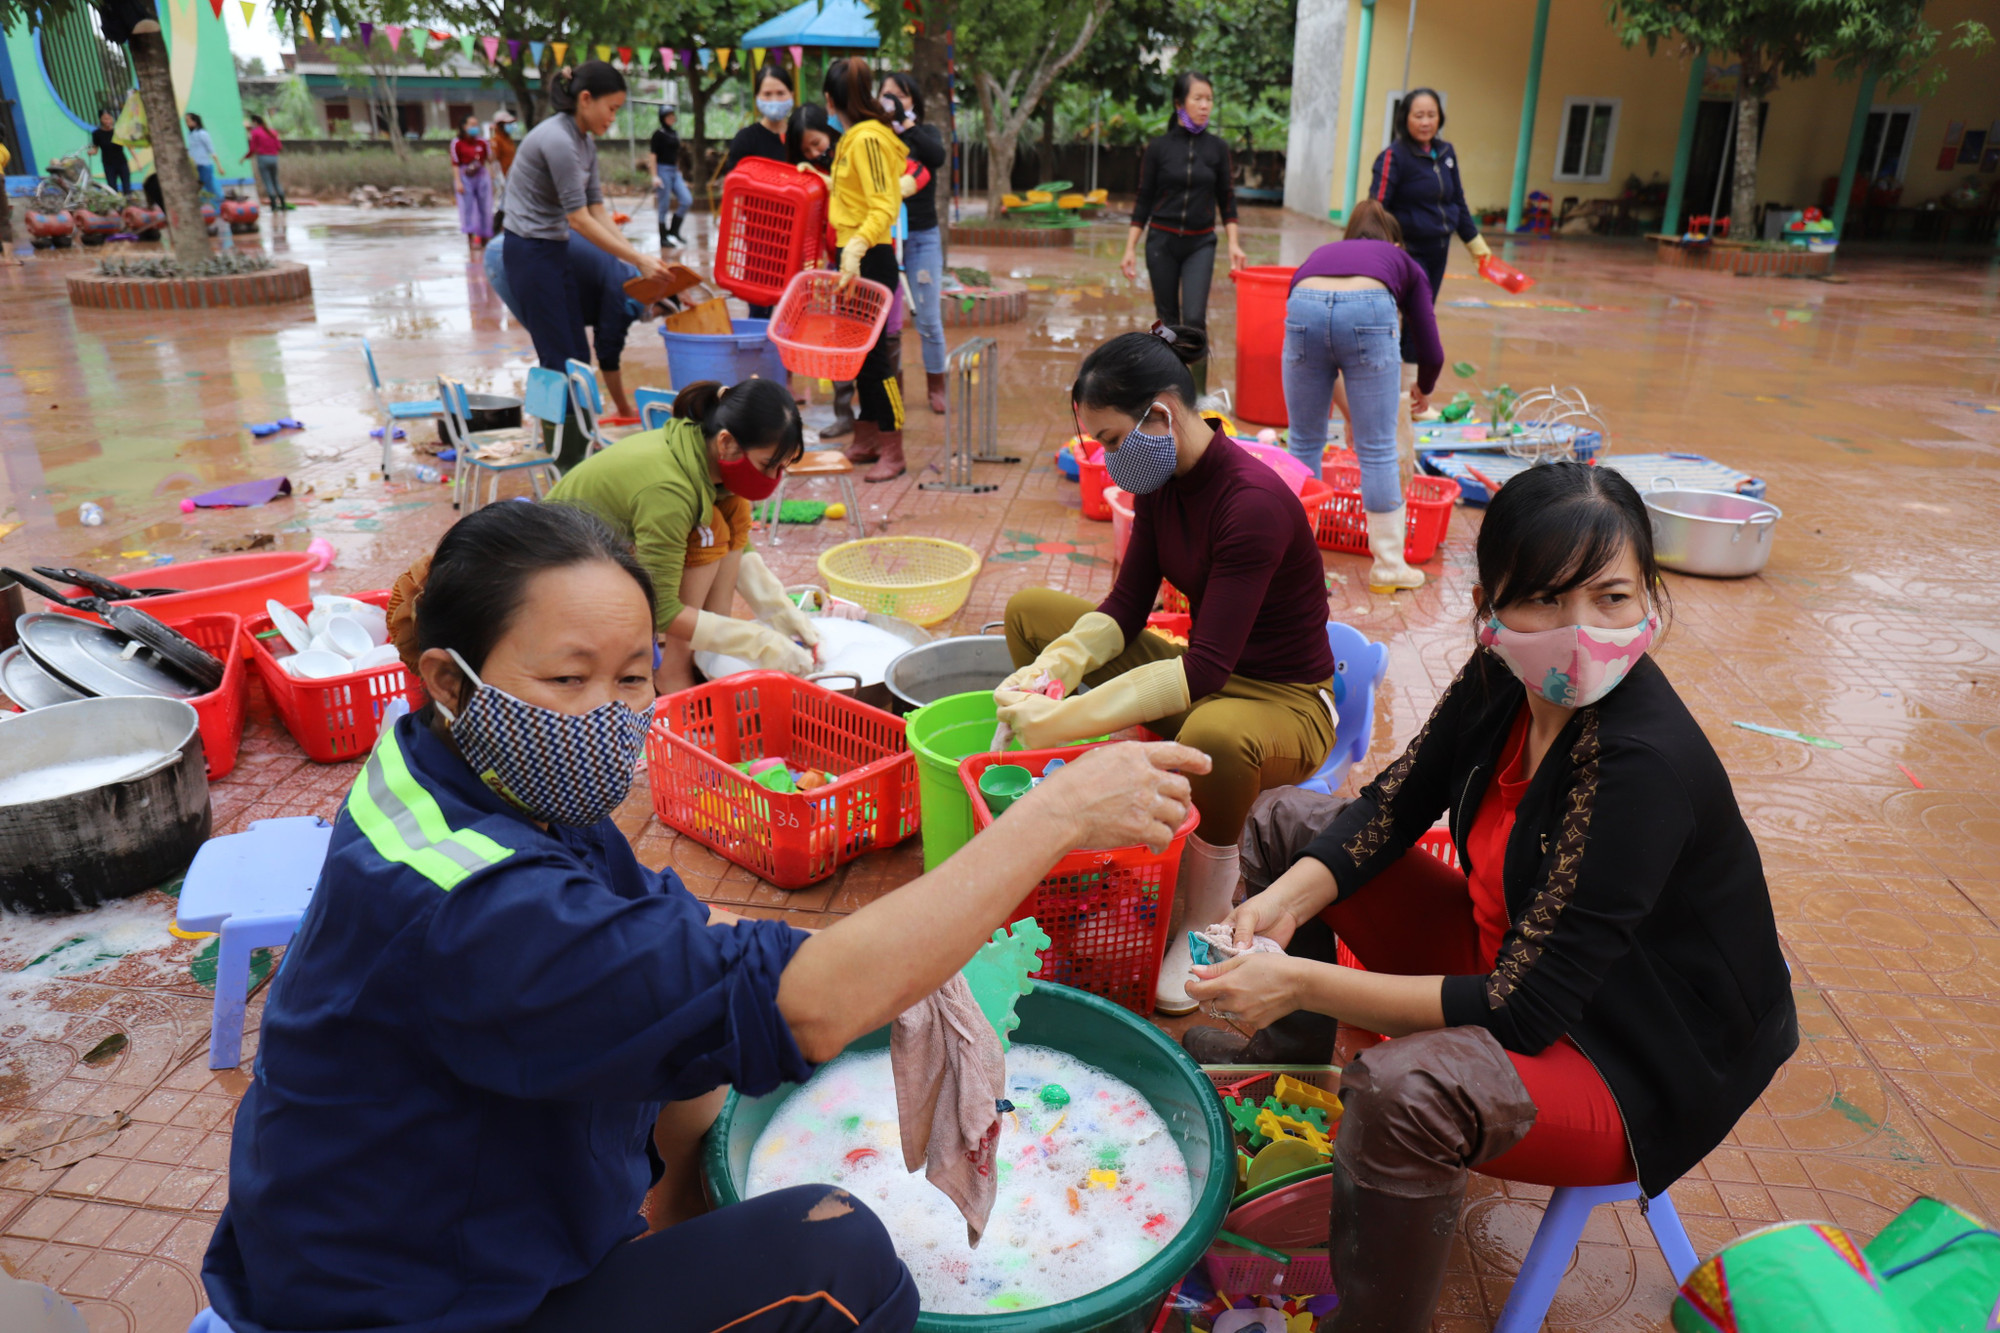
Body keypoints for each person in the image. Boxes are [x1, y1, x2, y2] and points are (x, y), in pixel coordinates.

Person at [202, 497, 1210, 1333]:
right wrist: (1051, 815)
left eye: (633, 674)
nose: (609, 708)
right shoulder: (479, 906)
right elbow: (800, 1005)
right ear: (446, 681)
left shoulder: (461, 773)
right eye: (567, 677)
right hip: (401, 1308)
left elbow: (686, 969)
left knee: (697, 1073)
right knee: (839, 1252)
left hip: (416, 1222)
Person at [1182, 462, 1797, 1332]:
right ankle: (1290, 1089)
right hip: (1516, 960)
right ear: (1493, 606)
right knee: (1289, 825)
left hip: (1631, 1057)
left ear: (1652, 600)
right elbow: (1393, 805)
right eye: (1544, 599)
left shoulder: (1641, 767)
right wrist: (1277, 905)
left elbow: (1522, 1012)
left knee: (1407, 1089)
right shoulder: (1505, 675)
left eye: (1612, 597)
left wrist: (1298, 977)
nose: (1579, 632)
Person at [998, 326, 1336, 1015]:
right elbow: (1126, 607)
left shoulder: (1253, 504)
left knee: (1211, 732)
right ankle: (1091, 777)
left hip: (1286, 703)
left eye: (1113, 440)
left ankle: (1208, 909)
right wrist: (1055, 667)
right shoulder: (1160, 481)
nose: (1109, 459)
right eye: (1099, 445)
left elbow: (1206, 670)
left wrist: (1057, 716)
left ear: (1161, 414)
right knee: (1032, 614)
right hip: (1208, 672)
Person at [548, 379, 813, 693]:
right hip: (560, 572)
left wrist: (779, 610)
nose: (772, 480)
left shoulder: (702, 452)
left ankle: (708, 657)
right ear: (726, 443)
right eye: (767, 465)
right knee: (707, 532)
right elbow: (661, 610)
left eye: (782, 468)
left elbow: (740, 542)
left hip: (608, 551)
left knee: (733, 513)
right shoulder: (669, 490)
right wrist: (758, 642)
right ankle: (673, 671)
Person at [503, 62, 669, 451]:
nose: (614, 117)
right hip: (527, 250)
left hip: (555, 249)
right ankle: (560, 449)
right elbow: (579, 219)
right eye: (611, 108)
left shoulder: (584, 143)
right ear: (585, 99)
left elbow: (598, 211)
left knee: (576, 352)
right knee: (556, 356)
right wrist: (638, 261)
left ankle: (572, 444)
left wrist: (637, 258)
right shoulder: (558, 140)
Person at [1280, 200, 1442, 594]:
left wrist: (1350, 412)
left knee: (1303, 441)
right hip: (1368, 312)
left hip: (1303, 303)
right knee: (1378, 448)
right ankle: (1388, 567)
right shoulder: (1400, 260)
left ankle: (1291, 564)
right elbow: (1429, 341)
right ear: (1394, 242)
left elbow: (1323, 360)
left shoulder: (1320, 257)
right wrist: (1426, 384)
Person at [1120, 73, 1246, 397]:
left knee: (1193, 320)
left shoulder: (1218, 149)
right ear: (1180, 103)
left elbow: (1226, 198)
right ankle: (1172, 390)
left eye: (1209, 99)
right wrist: (1130, 247)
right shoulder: (1159, 148)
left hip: (1200, 243)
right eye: (1198, 99)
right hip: (1161, 241)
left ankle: (1199, 398)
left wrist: (1233, 242)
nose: (1205, 106)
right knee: (1168, 322)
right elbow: (1143, 198)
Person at [817, 57, 910, 482]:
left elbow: (884, 205)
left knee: (878, 364)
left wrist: (855, 247)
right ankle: (868, 436)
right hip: (852, 259)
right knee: (860, 358)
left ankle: (894, 445)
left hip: (869, 257)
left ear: (830, 100)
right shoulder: (855, 137)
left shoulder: (868, 138)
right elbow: (856, 197)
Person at [484, 213, 650, 428]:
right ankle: (560, 435)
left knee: (572, 351)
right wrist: (625, 410)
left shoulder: (629, 276)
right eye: (657, 313)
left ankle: (569, 429)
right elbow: (608, 351)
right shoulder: (623, 295)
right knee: (557, 350)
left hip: (528, 246)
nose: (649, 318)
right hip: (512, 255)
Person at [1368, 89, 1489, 303]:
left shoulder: (1446, 152)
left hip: (1439, 248)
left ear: (1440, 117)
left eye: (1431, 115)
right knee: (1417, 310)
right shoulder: (1393, 156)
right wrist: (1384, 245)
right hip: (1408, 249)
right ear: (1405, 118)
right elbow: (1376, 208)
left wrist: (1475, 243)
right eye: (1418, 115)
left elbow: (1457, 201)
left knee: (1424, 314)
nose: (1426, 122)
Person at [879, 71, 949, 415]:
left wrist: (905, 128)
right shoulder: (873, 137)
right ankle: (892, 390)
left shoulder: (924, 134)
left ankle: (938, 386)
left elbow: (937, 157)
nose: (891, 102)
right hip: (883, 239)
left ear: (912, 103)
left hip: (922, 238)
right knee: (885, 325)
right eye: (885, 95)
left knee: (928, 318)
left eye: (900, 96)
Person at [788, 103, 859, 439]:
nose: (816, 152)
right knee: (839, 339)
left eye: (817, 143)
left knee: (879, 347)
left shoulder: (851, 154)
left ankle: (883, 423)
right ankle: (844, 414)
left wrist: (826, 181)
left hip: (865, 258)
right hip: (835, 263)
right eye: (807, 150)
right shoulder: (814, 172)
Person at [722, 67, 798, 317]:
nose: (774, 100)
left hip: (796, 241)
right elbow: (735, 190)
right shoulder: (746, 139)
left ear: (792, 94)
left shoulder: (801, 137)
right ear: (756, 97)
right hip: (759, 243)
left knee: (793, 313)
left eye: (780, 93)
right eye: (767, 94)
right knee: (759, 315)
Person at [646, 106, 692, 250]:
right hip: (662, 170)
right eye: (668, 115)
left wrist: (679, 172)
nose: (671, 118)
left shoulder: (674, 133)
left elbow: (675, 155)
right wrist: (654, 176)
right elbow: (653, 156)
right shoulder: (658, 135)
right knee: (664, 205)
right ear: (662, 118)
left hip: (674, 171)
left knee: (686, 200)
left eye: (673, 115)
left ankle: (674, 230)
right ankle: (663, 238)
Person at [450, 115, 493, 251]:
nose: (475, 128)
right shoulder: (457, 143)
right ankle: (470, 238)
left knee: (485, 206)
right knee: (467, 208)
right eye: (472, 124)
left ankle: (485, 237)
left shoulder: (482, 142)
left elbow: (490, 160)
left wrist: (491, 178)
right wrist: (458, 182)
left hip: (481, 175)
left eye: (476, 125)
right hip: (465, 176)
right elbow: (455, 164)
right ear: (464, 126)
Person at [240, 114, 285, 211]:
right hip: (274, 158)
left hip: (263, 159)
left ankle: (274, 206)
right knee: (275, 181)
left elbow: (252, 149)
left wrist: (244, 158)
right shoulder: (272, 132)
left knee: (268, 182)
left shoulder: (255, 132)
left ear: (255, 122)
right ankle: (283, 204)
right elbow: (279, 147)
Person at [89, 110, 132, 197]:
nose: (107, 121)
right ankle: (116, 206)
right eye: (105, 119)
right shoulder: (97, 134)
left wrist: (138, 162)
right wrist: (91, 152)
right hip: (108, 164)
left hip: (122, 162)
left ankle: (129, 204)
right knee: (112, 188)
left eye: (109, 118)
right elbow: (95, 149)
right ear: (101, 120)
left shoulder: (118, 131)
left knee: (127, 187)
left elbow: (129, 146)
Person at [184, 112, 219, 203]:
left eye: (188, 121)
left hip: (204, 164)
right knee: (199, 187)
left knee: (210, 186)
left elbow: (211, 149)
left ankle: (218, 205)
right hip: (195, 165)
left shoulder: (202, 133)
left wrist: (219, 166)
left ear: (195, 122)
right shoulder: (190, 134)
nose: (186, 123)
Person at [489, 108, 519, 179]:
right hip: (503, 176)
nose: (510, 125)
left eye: (511, 123)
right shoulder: (496, 140)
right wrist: (498, 177)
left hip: (512, 174)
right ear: (500, 125)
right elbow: (493, 161)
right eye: (508, 123)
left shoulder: (508, 139)